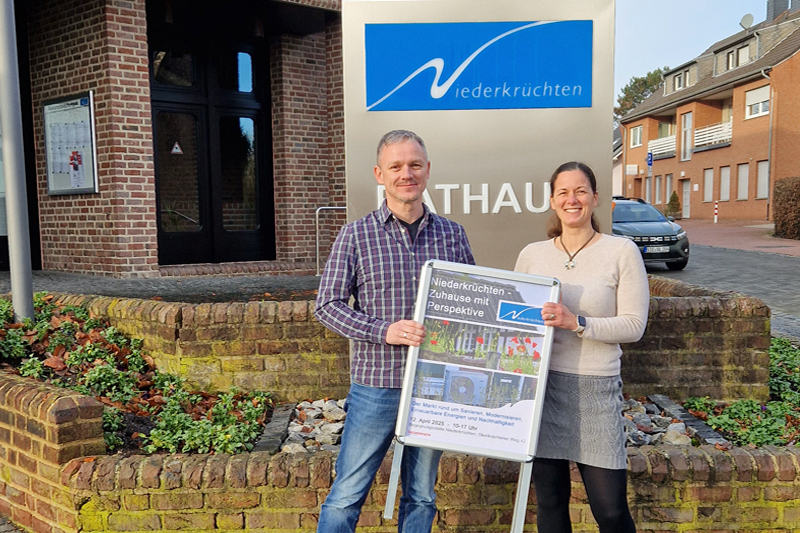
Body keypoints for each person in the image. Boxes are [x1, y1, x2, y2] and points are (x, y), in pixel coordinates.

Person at [315, 130, 475, 533]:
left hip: (434, 386)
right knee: (348, 493)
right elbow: (327, 306)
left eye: (415, 165)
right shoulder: (355, 235)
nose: (407, 173)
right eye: (396, 166)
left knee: (421, 494)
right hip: (376, 386)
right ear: (379, 174)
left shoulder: (452, 235)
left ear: (427, 170)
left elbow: (472, 306)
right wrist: (384, 331)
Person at [514, 161, 649, 533]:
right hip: (542, 390)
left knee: (609, 510)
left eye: (580, 191)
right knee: (552, 504)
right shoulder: (531, 255)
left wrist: (578, 323)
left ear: (595, 197)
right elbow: (516, 321)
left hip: (596, 389)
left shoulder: (621, 251)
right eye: (563, 192)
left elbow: (634, 326)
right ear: (553, 201)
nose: (571, 199)